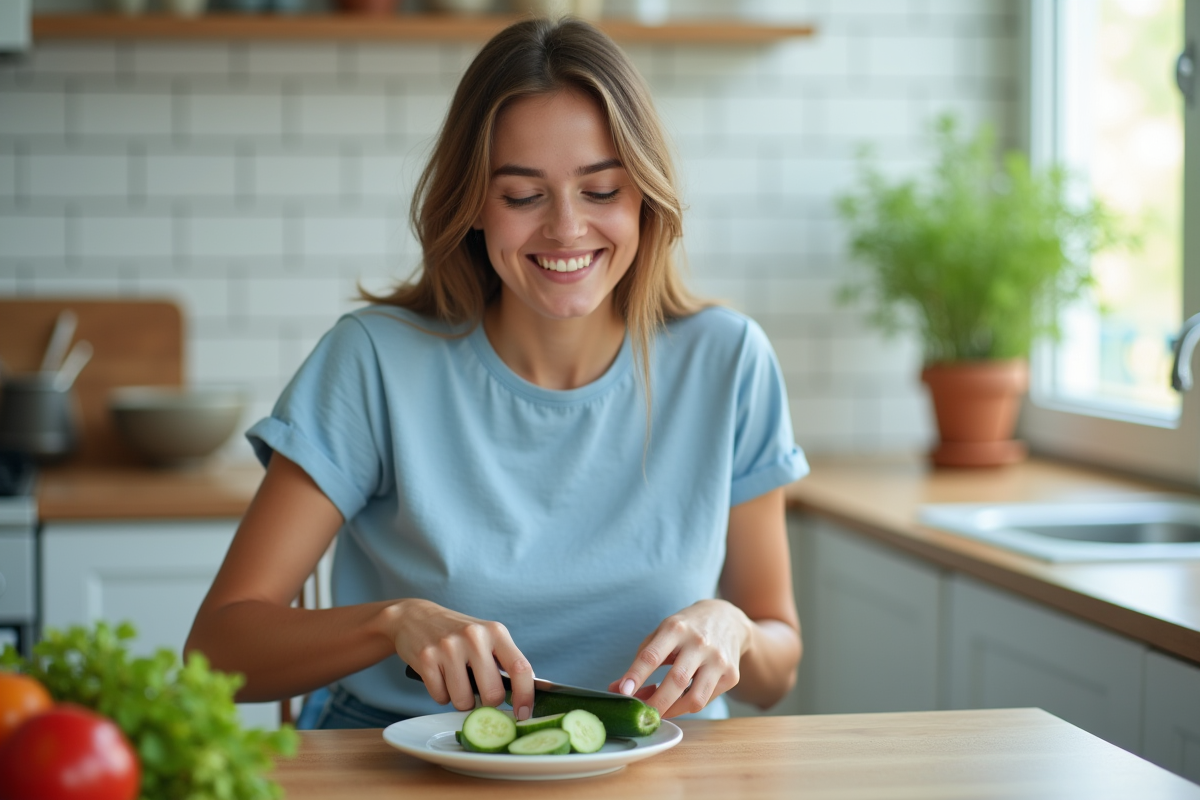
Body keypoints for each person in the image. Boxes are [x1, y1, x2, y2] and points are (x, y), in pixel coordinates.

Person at [184, 16, 808, 730]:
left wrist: (735, 627)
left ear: (645, 197)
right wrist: (392, 622)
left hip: (657, 769)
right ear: (474, 204)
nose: (567, 229)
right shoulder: (374, 362)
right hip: (403, 762)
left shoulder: (727, 361)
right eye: (521, 196)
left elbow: (776, 668)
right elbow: (217, 650)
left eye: (601, 191)